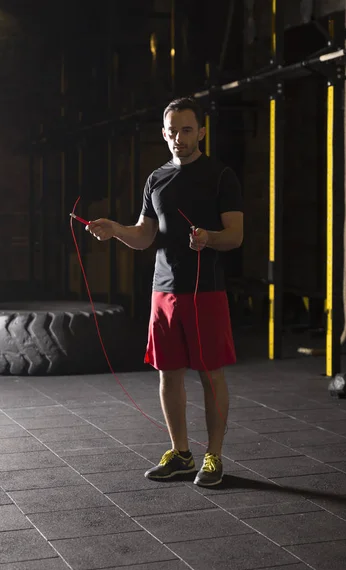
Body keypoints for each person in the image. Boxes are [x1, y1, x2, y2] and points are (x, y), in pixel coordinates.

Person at [86, 97, 243, 486]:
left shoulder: (221, 176)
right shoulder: (156, 179)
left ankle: (214, 457)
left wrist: (209, 238)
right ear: (163, 133)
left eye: (187, 130)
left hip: (205, 291)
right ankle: (182, 454)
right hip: (164, 290)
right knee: (167, 374)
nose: (179, 138)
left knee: (210, 375)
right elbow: (145, 235)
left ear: (201, 132)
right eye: (172, 131)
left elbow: (236, 236)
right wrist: (117, 230)